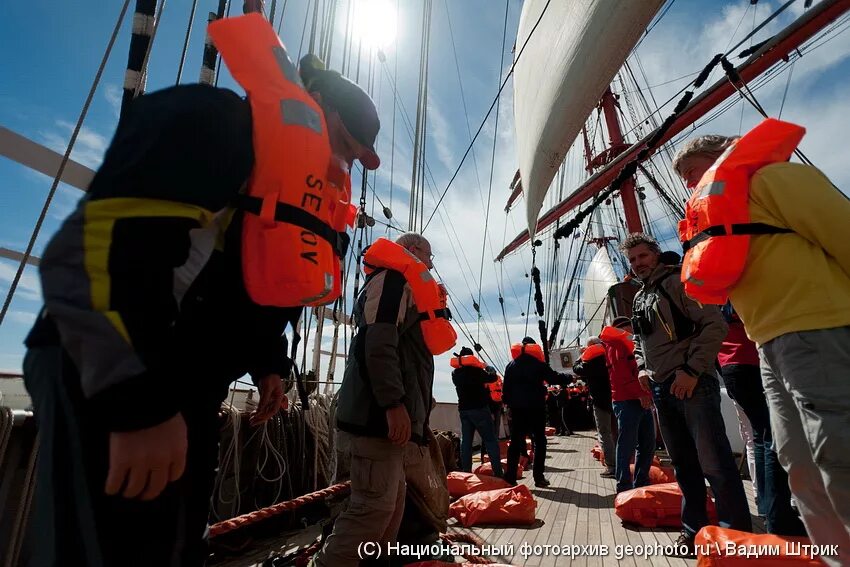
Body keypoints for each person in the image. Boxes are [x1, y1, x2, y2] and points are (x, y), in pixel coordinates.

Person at [22, 14, 380, 567]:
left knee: (177, 547)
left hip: (187, 386)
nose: (346, 163)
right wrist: (138, 406)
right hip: (112, 372)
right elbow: (90, 260)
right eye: (345, 143)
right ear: (315, 109)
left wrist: (269, 365)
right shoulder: (214, 125)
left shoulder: (295, 190)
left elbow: (244, 277)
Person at [673, 124, 850, 565]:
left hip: (818, 325)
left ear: (722, 156)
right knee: (799, 465)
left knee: (839, 455)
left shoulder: (774, 180)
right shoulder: (721, 216)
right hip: (768, 343)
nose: (691, 188)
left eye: (693, 174)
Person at [314, 232, 453, 567]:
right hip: (374, 418)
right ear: (411, 251)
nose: (431, 263)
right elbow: (378, 343)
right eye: (428, 255)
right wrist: (393, 405)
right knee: (372, 511)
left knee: (390, 513)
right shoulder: (392, 281)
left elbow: (408, 356)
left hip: (391, 421)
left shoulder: (407, 288)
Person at [623, 232, 751, 555]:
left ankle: (736, 538)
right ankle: (693, 534)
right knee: (683, 466)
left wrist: (692, 371)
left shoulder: (681, 282)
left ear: (654, 254)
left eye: (642, 256)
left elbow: (714, 326)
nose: (638, 264)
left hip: (692, 385)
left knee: (715, 463)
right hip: (661, 389)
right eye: (632, 260)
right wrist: (641, 367)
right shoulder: (640, 298)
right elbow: (640, 340)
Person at [717, 303, 805, 536]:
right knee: (772, 438)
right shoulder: (738, 292)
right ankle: (779, 516)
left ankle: (768, 509)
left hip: (731, 366)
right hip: (750, 362)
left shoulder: (716, 292)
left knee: (759, 437)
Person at [502, 337, 573, 487]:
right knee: (540, 441)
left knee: (515, 443)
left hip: (517, 410)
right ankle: (538, 477)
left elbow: (505, 390)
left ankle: (510, 477)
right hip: (536, 408)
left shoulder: (511, 366)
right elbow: (553, 377)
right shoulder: (538, 364)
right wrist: (569, 377)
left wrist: (510, 405)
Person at [601, 317, 656, 494]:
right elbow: (622, 375)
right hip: (627, 401)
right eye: (629, 327)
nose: (633, 330)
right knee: (627, 444)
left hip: (640, 399)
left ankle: (641, 481)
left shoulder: (627, 344)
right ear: (622, 328)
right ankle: (623, 485)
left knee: (647, 443)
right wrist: (641, 394)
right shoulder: (615, 345)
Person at [450, 347, 502, 477]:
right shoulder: (477, 371)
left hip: (464, 411)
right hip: (480, 409)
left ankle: (467, 472)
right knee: (490, 440)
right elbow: (492, 378)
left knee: (466, 442)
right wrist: (489, 368)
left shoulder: (455, 374)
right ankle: (498, 473)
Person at [573, 339, 615, 478]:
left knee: (604, 432)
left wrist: (581, 356)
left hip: (600, 401)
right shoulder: (609, 353)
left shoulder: (591, 359)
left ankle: (612, 467)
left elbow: (577, 369)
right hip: (616, 396)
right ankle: (624, 461)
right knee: (617, 431)